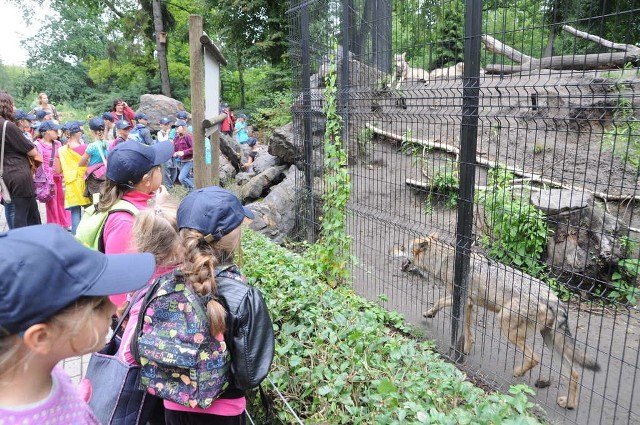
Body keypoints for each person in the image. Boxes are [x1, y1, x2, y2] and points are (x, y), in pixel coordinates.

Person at [125, 186, 266, 424]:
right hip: (225, 411)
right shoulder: (243, 296)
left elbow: (137, 351)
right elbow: (250, 374)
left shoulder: (160, 285)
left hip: (173, 407)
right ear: (233, 236)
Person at [0, 224, 156, 424]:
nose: (111, 308)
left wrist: (74, 403)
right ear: (42, 337)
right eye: (98, 306)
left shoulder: (45, 372)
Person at [97, 139, 173, 308]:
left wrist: (157, 206)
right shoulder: (124, 221)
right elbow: (118, 280)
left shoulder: (142, 205)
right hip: (137, 313)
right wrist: (125, 321)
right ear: (146, 180)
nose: (162, 171)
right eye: (159, 168)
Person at [0, 92, 42, 228]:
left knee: (13, 208)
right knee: (24, 213)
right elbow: (32, 150)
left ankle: (16, 240)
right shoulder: (8, 126)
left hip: (5, 173)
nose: (15, 107)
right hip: (18, 172)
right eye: (12, 104)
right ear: (6, 106)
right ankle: (22, 242)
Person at [36, 120, 71, 229]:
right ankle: (54, 225)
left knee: (61, 200)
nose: (58, 132)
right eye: (55, 130)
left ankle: (65, 223)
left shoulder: (58, 143)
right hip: (47, 179)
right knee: (51, 203)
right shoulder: (38, 144)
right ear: (46, 132)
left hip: (58, 176)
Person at [57, 121, 91, 234]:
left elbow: (57, 170)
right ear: (77, 134)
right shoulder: (85, 148)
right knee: (89, 212)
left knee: (75, 214)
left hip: (71, 185)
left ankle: (76, 240)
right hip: (84, 183)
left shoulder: (60, 151)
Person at [79, 117, 109, 199]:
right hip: (106, 175)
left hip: (95, 179)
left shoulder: (92, 146)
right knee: (106, 199)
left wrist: (89, 163)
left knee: (97, 202)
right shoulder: (107, 143)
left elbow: (80, 163)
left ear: (91, 131)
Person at [172, 119, 194, 190]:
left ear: (183, 127)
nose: (176, 129)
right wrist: (174, 153)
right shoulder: (176, 137)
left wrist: (184, 152)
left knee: (181, 178)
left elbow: (194, 148)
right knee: (186, 178)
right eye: (175, 127)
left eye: (178, 127)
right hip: (181, 161)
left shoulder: (188, 136)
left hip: (189, 160)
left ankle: (195, 190)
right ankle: (190, 194)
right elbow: (175, 149)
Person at [157, 117, 177, 188]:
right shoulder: (160, 133)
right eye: (165, 124)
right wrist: (167, 134)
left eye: (168, 124)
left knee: (174, 170)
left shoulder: (173, 132)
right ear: (161, 125)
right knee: (166, 172)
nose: (167, 126)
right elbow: (162, 141)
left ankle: (172, 185)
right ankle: (169, 187)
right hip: (165, 155)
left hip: (173, 154)